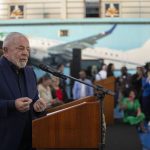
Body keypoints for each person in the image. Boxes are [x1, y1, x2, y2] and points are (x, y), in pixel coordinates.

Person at [0, 32, 47, 150]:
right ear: (5, 50)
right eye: (20, 48)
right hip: (6, 141)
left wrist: (37, 107)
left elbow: (34, 99)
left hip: (31, 141)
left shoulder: (30, 72)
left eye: (28, 49)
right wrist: (12, 105)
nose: (25, 53)